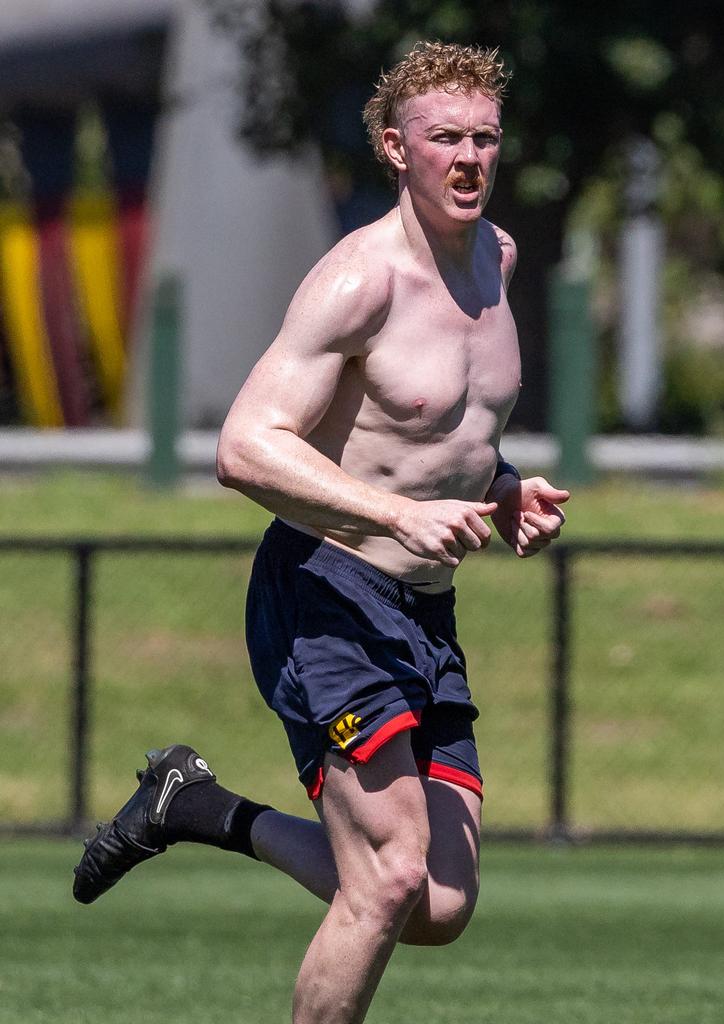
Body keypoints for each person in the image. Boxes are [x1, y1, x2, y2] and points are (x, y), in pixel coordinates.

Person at [73, 40, 570, 1024]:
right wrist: (392, 513)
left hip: (424, 612)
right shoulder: (358, 283)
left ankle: (197, 807)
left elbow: (437, 434)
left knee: (437, 903)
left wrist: (503, 488)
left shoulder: (499, 261)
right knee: (384, 878)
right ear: (396, 148)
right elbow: (245, 446)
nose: (470, 158)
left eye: (485, 138)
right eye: (445, 140)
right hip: (325, 591)